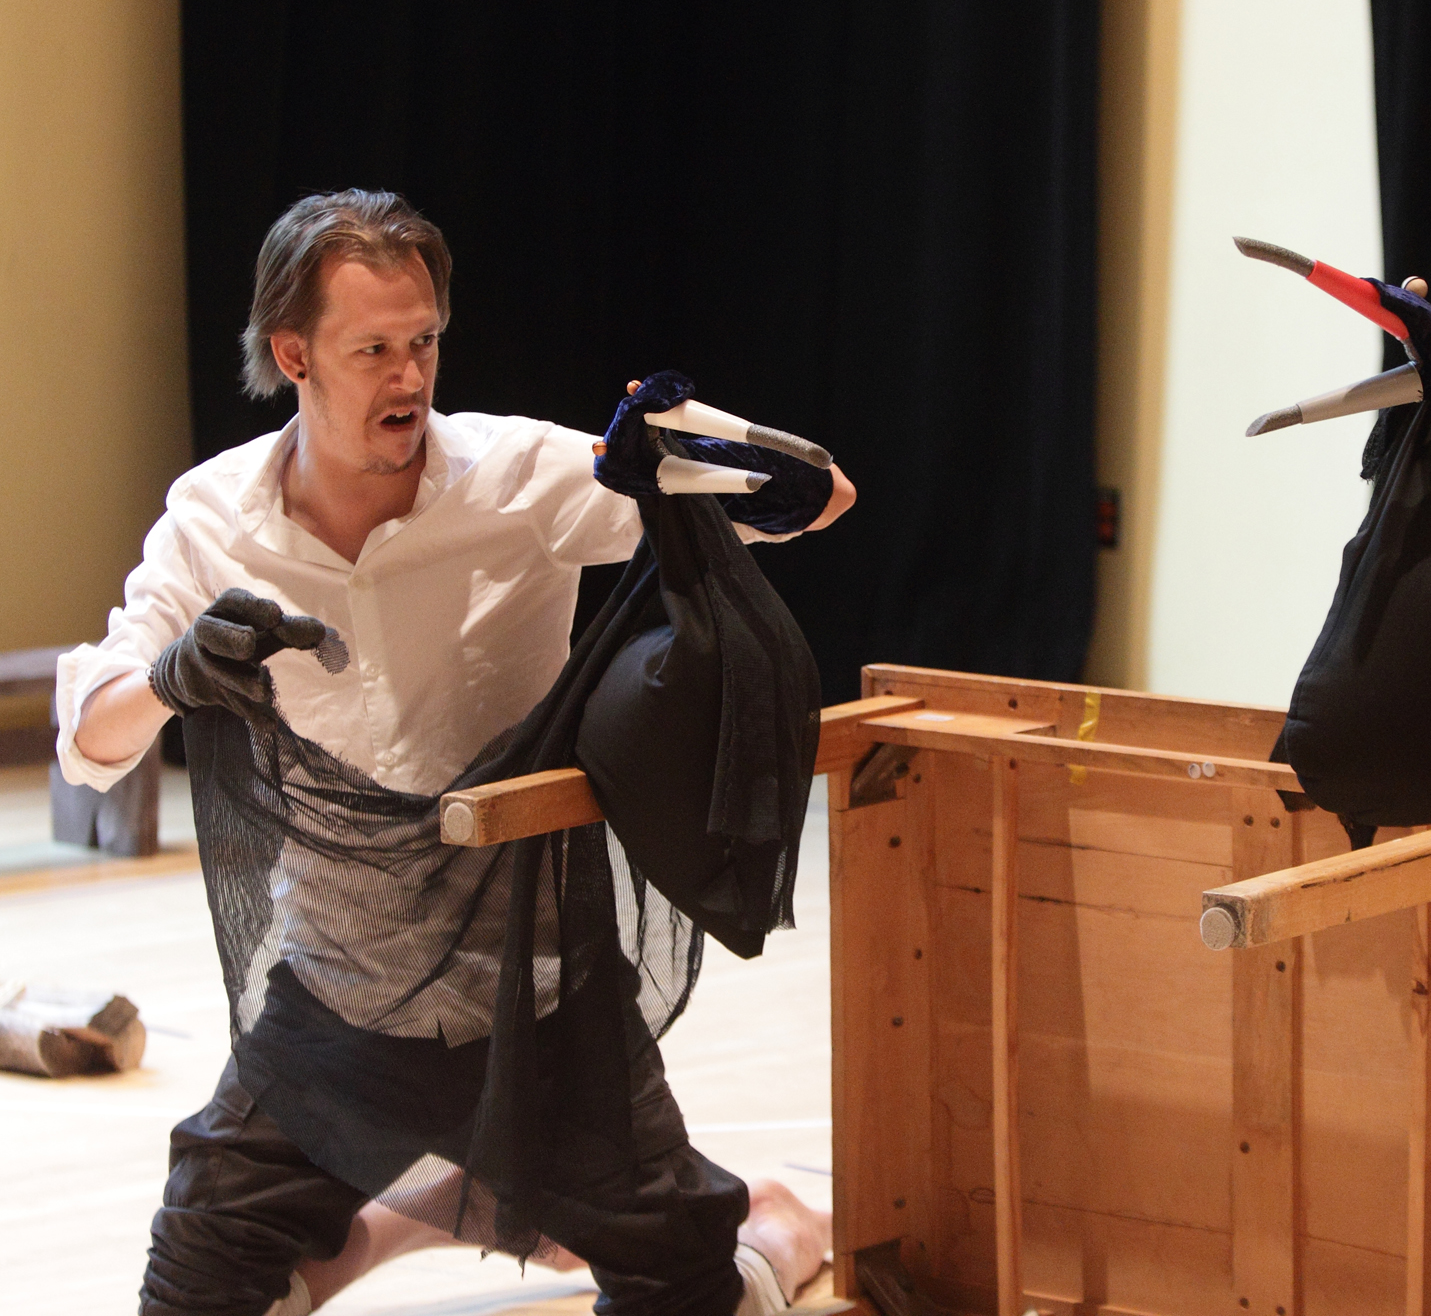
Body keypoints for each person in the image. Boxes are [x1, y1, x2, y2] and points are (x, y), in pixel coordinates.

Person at [56, 189, 855, 1316]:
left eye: (424, 341)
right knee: (187, 1296)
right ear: (293, 354)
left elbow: (818, 498)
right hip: (333, 999)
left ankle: (779, 1229)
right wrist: (170, 681)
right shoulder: (213, 518)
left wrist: (697, 450)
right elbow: (87, 739)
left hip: (539, 997)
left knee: (685, 1290)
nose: (409, 376)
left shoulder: (518, 476)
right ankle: (437, 1207)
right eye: (373, 349)